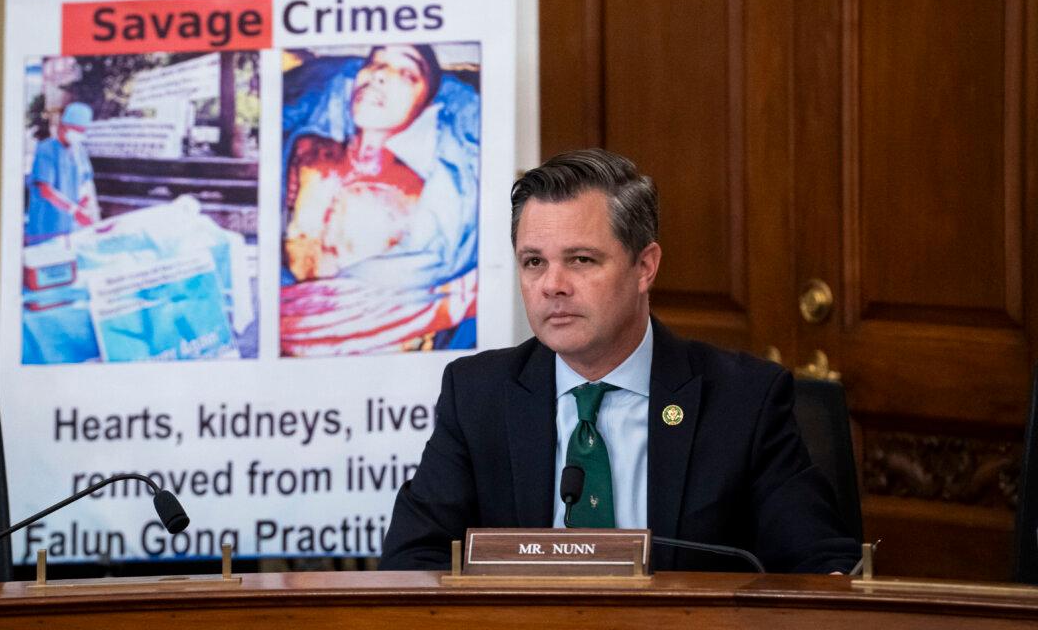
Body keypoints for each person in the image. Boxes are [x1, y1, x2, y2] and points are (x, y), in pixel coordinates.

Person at [379, 148, 859, 573]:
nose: (553, 285)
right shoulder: (478, 393)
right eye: (534, 262)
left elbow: (818, 565)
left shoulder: (743, 400)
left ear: (644, 267)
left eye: (582, 260)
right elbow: (412, 560)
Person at [279, 44, 479, 355]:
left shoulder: (416, 194)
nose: (380, 74)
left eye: (407, 73)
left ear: (425, 106)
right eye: (374, 62)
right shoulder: (307, 151)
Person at [25, 102, 99, 245]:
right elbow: (46, 190)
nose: (79, 135)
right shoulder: (46, 149)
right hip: (47, 227)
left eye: (82, 131)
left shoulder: (79, 151)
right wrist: (75, 210)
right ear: (63, 126)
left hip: (70, 228)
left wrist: (88, 209)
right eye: (76, 130)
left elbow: (85, 183)